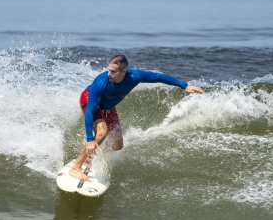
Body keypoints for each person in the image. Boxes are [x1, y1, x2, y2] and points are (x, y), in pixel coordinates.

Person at [69, 55, 204, 181]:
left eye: (113, 71)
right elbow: (90, 112)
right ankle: (76, 167)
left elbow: (158, 77)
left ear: (123, 71)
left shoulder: (135, 76)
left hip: (108, 107)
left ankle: (91, 157)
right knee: (102, 132)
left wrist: (184, 85)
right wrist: (90, 139)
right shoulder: (100, 82)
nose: (109, 74)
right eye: (108, 70)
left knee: (117, 145)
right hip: (90, 100)